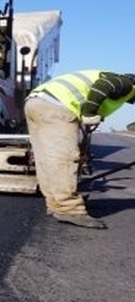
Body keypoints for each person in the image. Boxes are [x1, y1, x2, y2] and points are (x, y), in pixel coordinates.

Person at [25, 70, 135, 229]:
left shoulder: (100, 76)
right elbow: (104, 86)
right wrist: (90, 113)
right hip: (57, 106)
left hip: (36, 102)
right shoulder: (126, 83)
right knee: (64, 159)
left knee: (47, 159)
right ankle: (70, 209)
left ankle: (55, 203)